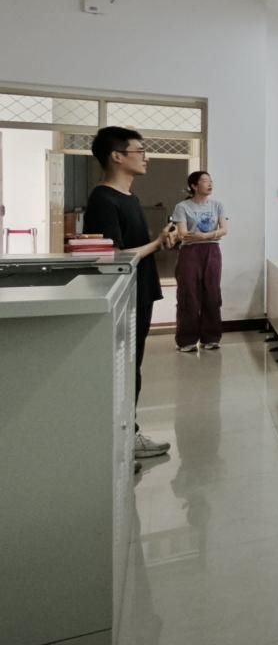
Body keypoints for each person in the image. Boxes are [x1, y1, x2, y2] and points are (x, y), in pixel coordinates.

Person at [84, 127, 176, 461]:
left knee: (132, 365)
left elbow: (136, 248)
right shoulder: (103, 200)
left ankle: (127, 435)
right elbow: (111, 256)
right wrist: (156, 244)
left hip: (141, 290)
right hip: (123, 295)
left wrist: (160, 242)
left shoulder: (130, 198)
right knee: (123, 368)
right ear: (117, 156)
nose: (146, 157)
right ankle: (120, 441)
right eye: (139, 150)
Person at [171, 170, 227, 353]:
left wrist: (203, 236)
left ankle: (211, 337)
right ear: (194, 186)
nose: (210, 184)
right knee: (188, 294)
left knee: (212, 293)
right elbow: (182, 233)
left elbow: (224, 230)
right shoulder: (182, 207)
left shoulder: (217, 205)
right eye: (204, 181)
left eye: (211, 181)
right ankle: (186, 340)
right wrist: (211, 234)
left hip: (212, 251)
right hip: (190, 252)